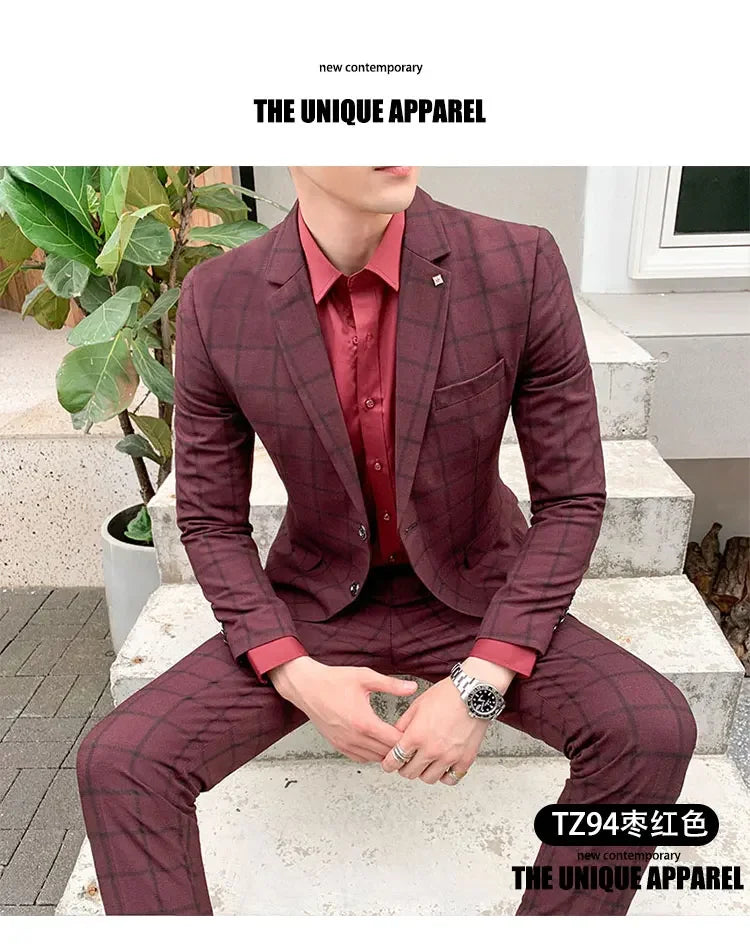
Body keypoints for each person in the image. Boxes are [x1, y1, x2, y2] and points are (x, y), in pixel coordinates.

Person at [76, 167, 697, 915]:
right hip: (319, 601)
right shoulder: (220, 298)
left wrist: (481, 682)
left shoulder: (516, 263)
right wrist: (296, 674)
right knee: (121, 764)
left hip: (477, 590)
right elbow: (209, 519)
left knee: (651, 728)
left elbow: (571, 498)